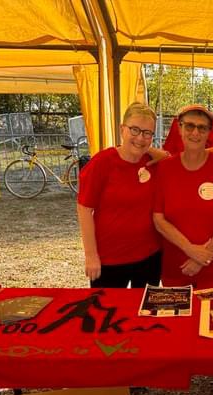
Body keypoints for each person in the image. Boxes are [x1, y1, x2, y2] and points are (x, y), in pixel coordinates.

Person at [77, 102, 162, 288]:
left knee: (144, 313)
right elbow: (84, 209)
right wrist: (91, 255)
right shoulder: (102, 163)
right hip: (109, 259)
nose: (140, 137)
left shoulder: (153, 162)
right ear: (122, 129)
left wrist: (151, 150)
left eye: (147, 133)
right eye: (134, 130)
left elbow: (174, 159)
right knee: (107, 313)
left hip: (149, 257)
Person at [153, 104, 213, 289]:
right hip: (176, 270)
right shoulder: (165, 168)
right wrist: (190, 249)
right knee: (177, 319)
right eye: (189, 126)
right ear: (179, 128)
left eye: (202, 127)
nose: (195, 133)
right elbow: (159, 220)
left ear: (209, 133)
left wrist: (202, 257)